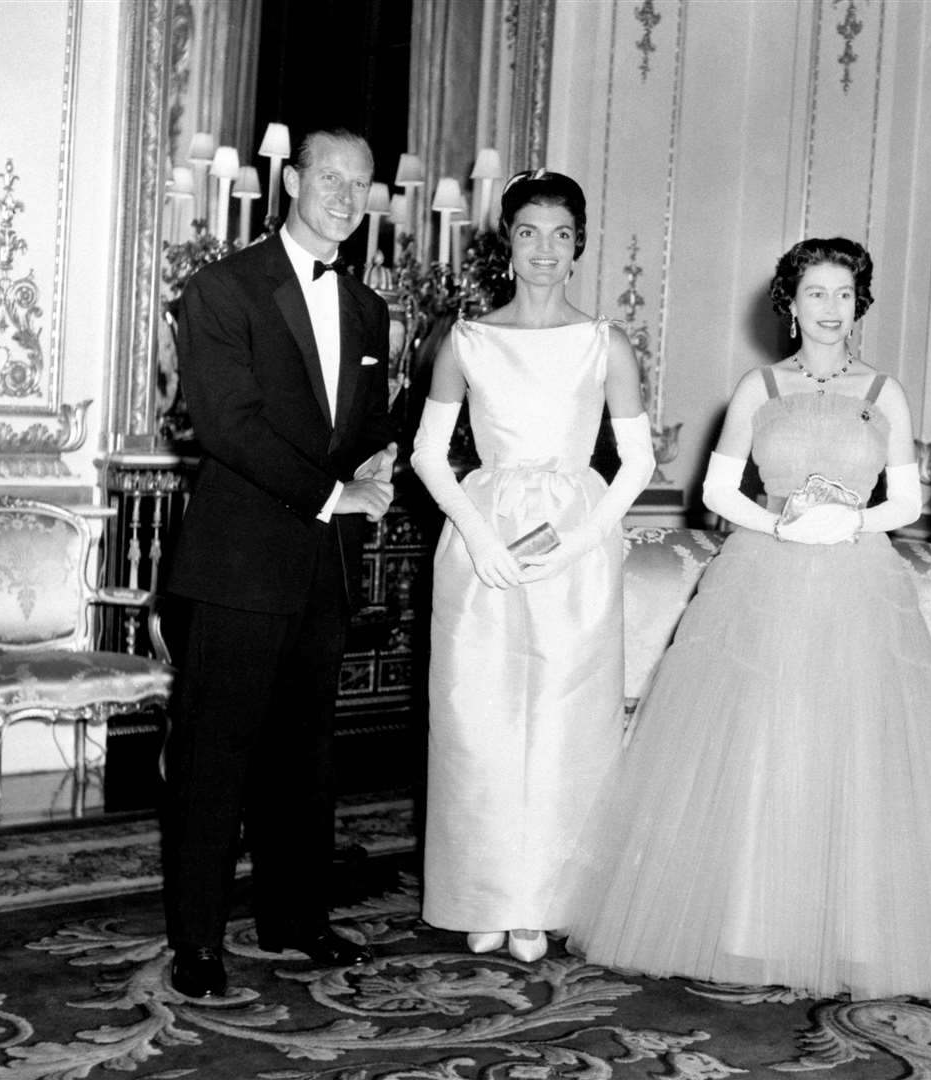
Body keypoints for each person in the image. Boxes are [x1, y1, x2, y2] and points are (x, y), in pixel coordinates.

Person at [558, 237, 931, 1001]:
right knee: (766, 746)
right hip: (765, 579)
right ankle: (752, 927)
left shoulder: (885, 391)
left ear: (858, 302)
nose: (830, 309)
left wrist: (851, 520)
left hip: (857, 585)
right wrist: (780, 524)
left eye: (843, 293)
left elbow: (906, 498)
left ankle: (853, 932)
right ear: (790, 303)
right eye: (815, 293)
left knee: (854, 753)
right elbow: (715, 490)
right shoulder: (758, 388)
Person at [162, 128, 397, 999]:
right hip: (237, 564)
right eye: (328, 177)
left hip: (321, 567)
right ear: (290, 180)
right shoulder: (221, 287)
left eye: (360, 184)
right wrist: (334, 494)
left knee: (304, 757)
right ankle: (197, 941)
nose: (344, 195)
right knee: (213, 760)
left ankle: (294, 917)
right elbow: (229, 425)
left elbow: (360, 427)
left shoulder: (369, 309)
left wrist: (375, 464)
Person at [410, 169, 654, 963]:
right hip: (482, 538)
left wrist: (575, 541)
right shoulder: (467, 339)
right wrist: (481, 539)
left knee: (561, 727)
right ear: (506, 243)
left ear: (577, 244)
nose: (542, 250)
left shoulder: (604, 342)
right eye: (526, 232)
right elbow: (425, 454)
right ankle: (485, 891)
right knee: (478, 719)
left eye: (558, 234)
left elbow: (638, 463)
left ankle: (543, 903)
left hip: (573, 544)